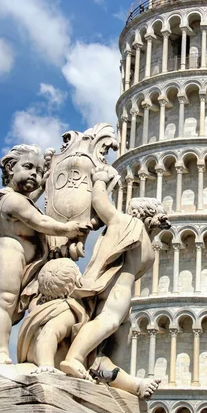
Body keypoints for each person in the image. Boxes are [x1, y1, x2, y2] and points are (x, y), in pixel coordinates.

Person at [0, 144, 88, 366]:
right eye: (29, 167)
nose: (35, 174)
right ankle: (1, 352)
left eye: (39, 171)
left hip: (31, 262)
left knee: (17, 310)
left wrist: (47, 179)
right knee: (6, 301)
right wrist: (69, 228)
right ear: (11, 168)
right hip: (10, 256)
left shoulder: (22, 198)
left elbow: (31, 199)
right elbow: (40, 221)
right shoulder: (11, 200)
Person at [59, 165, 170, 397]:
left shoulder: (144, 239)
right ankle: (74, 357)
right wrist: (99, 180)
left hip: (122, 292)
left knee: (120, 333)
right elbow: (102, 204)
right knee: (108, 322)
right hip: (116, 288)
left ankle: (108, 375)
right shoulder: (129, 225)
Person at [17, 258, 89, 372]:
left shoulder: (39, 307)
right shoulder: (65, 311)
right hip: (46, 363)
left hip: (30, 360)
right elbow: (49, 332)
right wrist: (46, 364)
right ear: (73, 283)